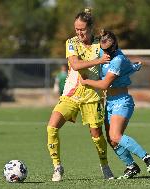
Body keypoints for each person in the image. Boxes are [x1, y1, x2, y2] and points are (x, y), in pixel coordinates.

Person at [46, 8, 114, 182]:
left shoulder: (101, 43)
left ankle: (104, 166)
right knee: (51, 127)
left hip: (93, 96)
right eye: (76, 29)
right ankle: (57, 167)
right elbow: (75, 65)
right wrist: (99, 60)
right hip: (71, 94)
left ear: (90, 28)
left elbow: (115, 55)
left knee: (97, 135)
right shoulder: (71, 42)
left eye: (82, 29)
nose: (79, 32)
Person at [80, 30, 150, 179]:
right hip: (109, 102)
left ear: (114, 46)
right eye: (103, 50)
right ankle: (131, 166)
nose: (106, 53)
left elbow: (104, 84)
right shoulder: (106, 53)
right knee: (112, 140)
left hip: (122, 102)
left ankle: (147, 157)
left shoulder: (117, 60)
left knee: (115, 135)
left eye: (108, 50)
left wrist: (85, 82)